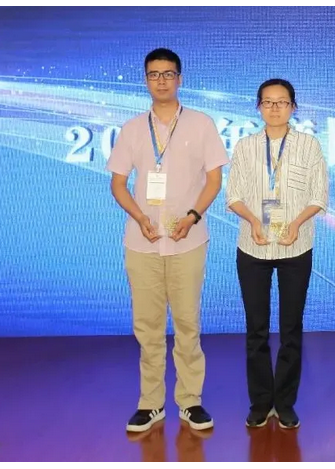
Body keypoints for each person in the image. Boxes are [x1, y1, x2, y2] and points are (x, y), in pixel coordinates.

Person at [106, 48, 228, 433]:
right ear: (146, 80)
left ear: (180, 79)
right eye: (154, 74)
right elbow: (118, 183)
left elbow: (214, 180)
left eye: (168, 74)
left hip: (187, 240)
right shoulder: (131, 128)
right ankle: (151, 403)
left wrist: (193, 217)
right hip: (142, 242)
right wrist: (140, 217)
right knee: (147, 326)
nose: (161, 80)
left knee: (188, 323)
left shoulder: (201, 124)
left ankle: (190, 401)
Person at [226, 78, 329, 429]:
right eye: (267, 102)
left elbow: (319, 195)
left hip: (295, 246)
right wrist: (254, 220)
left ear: (293, 107)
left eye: (282, 102)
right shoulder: (245, 146)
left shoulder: (308, 145)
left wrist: (297, 223)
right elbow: (233, 195)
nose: (274, 108)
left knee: (291, 328)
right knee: (256, 328)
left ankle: (285, 403)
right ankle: (260, 402)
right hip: (252, 245)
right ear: (258, 107)